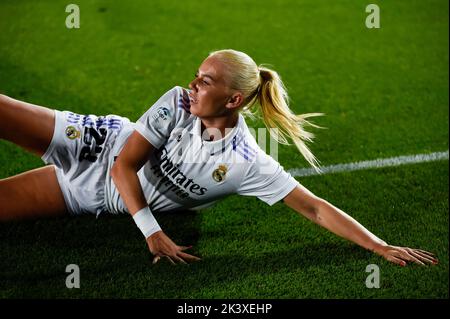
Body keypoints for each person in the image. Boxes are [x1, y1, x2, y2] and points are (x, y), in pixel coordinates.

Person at [0, 49, 438, 267]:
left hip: (88, 196)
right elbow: (123, 164)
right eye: (197, 74)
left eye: (205, 81)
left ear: (233, 99)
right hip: (96, 142)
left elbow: (315, 208)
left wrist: (379, 246)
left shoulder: (247, 161)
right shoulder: (177, 101)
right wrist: (151, 231)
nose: (193, 84)